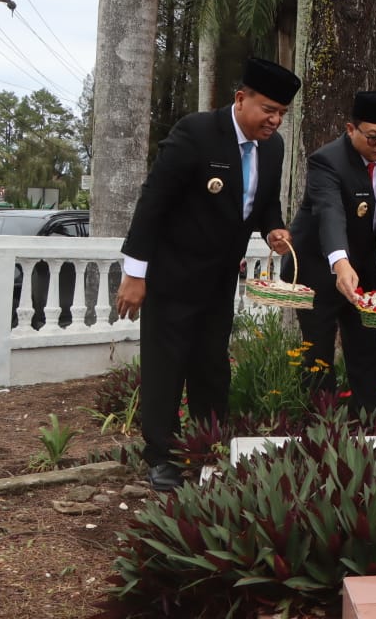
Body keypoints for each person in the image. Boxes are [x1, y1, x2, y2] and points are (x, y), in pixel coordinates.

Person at [116, 57, 300, 491]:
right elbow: (153, 202)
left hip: (221, 279)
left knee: (212, 366)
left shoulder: (272, 147)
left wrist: (273, 226)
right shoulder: (196, 133)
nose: (274, 120)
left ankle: (206, 448)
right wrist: (135, 274)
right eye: (268, 109)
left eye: (281, 114)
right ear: (241, 99)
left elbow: (263, 201)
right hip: (172, 275)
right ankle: (161, 457)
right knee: (167, 366)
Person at [285, 90, 376, 415]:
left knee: (367, 344)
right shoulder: (326, 161)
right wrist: (340, 261)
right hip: (318, 266)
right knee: (319, 350)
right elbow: (329, 212)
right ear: (351, 129)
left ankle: (370, 419)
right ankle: (321, 424)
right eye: (374, 137)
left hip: (364, 264)